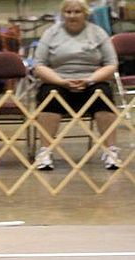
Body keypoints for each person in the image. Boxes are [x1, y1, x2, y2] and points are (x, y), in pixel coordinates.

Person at [34, 0, 120, 170]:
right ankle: (45, 153)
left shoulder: (98, 33)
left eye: (77, 12)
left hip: (91, 81)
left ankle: (111, 152)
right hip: (58, 81)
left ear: (85, 14)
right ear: (62, 14)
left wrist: (90, 80)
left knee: (103, 94)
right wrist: (61, 81)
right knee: (48, 94)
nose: (72, 15)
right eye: (68, 12)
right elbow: (39, 65)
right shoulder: (51, 33)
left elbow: (111, 64)